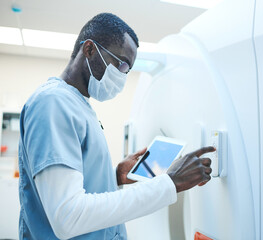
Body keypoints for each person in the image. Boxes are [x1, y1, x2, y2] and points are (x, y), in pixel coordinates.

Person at [18, 13, 215, 240]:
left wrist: (115, 176)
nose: (123, 77)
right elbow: (68, 216)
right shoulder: (53, 103)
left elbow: (75, 185)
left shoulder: (78, 105)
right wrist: (169, 184)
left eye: (128, 70)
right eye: (121, 64)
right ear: (89, 49)